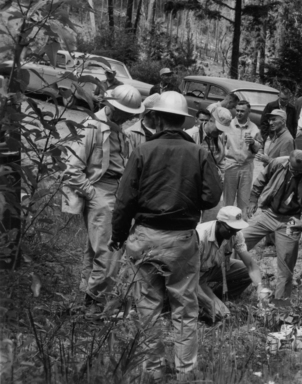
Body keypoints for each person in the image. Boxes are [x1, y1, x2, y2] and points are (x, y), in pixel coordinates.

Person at [110, 91, 222, 379]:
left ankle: (153, 369)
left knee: (148, 306)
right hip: (181, 239)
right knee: (184, 308)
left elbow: (124, 200)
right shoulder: (200, 153)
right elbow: (212, 197)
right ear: (183, 122)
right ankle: (185, 373)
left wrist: (118, 236)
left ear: (157, 119)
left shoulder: (143, 151)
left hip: (145, 236)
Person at [61, 84, 144, 311]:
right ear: (113, 107)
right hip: (101, 191)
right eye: (127, 113)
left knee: (95, 248)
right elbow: (72, 169)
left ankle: (86, 299)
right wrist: (92, 193)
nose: (129, 118)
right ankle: (96, 304)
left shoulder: (117, 129)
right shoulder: (92, 126)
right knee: (109, 250)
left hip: (115, 191)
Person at [243, 150, 302, 300]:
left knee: (286, 263)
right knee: (240, 241)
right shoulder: (278, 163)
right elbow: (260, 180)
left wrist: (301, 222)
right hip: (270, 214)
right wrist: (253, 200)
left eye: (299, 170)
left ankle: (281, 304)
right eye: (292, 169)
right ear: (288, 161)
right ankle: (232, 283)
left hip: (291, 220)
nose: (296, 172)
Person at [195, 206, 267, 322]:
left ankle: (219, 296)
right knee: (223, 315)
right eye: (230, 229)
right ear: (219, 223)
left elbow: (250, 265)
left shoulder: (235, 234)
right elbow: (187, 278)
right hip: (195, 278)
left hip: (214, 267)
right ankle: (206, 302)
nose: (234, 233)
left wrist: (259, 287)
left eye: (236, 229)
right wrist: (209, 303)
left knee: (245, 271)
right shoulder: (200, 235)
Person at [221, 99, 261, 217]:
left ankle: (241, 229)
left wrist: (253, 142)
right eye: (237, 110)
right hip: (230, 165)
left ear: (249, 112)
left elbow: (258, 148)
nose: (239, 113)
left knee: (243, 201)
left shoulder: (254, 128)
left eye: (242, 111)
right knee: (228, 200)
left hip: (246, 167)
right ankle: (225, 225)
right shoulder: (228, 126)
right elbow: (220, 144)